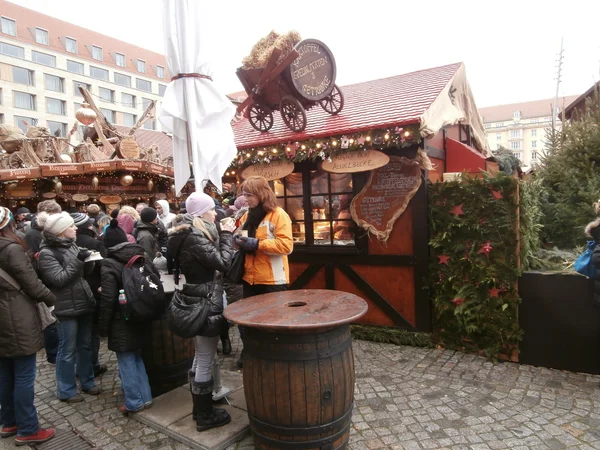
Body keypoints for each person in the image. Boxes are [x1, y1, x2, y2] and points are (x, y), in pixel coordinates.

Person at [168, 192, 235, 431]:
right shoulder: (195, 238)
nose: (215, 213)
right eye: (211, 210)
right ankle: (205, 415)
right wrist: (227, 235)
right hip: (205, 301)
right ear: (200, 214)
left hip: (196, 296)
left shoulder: (184, 234)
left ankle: (199, 409)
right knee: (206, 358)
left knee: (200, 356)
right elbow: (224, 263)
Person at [0, 207, 56, 446]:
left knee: (5, 372)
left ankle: (9, 421)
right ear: (9, 223)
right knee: (23, 373)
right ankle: (28, 428)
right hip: (16, 315)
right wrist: (51, 298)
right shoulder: (11, 248)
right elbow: (31, 283)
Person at [37, 212, 100, 403]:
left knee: (85, 345)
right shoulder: (47, 253)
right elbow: (59, 279)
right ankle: (66, 389)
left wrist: (89, 261)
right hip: (65, 306)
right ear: (61, 231)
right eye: (72, 226)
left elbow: (80, 273)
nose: (76, 229)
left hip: (83, 300)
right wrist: (78, 260)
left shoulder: (71, 245)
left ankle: (87, 381)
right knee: (67, 349)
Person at [234, 176, 293, 368]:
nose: (245, 199)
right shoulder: (245, 216)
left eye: (249, 195)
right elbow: (242, 241)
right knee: (249, 321)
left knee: (274, 322)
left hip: (272, 280)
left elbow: (286, 245)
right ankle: (251, 352)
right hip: (249, 278)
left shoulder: (278, 215)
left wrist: (258, 244)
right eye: (243, 194)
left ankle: (276, 357)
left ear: (261, 194)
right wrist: (238, 240)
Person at [99, 220, 153, 414]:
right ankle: (145, 397)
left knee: (126, 359)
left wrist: (103, 327)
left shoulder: (109, 263)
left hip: (121, 318)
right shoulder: (139, 255)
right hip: (141, 313)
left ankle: (134, 401)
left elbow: (108, 297)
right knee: (136, 356)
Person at [24, 200, 62, 365]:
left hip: (52, 278)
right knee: (50, 319)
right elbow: (33, 261)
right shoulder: (33, 234)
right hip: (44, 281)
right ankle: (53, 354)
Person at [71, 213, 107, 378]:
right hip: (93, 289)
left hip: (72, 292)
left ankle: (81, 366)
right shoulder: (94, 243)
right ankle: (93, 364)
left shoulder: (68, 245)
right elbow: (103, 266)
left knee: (75, 336)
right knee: (91, 331)